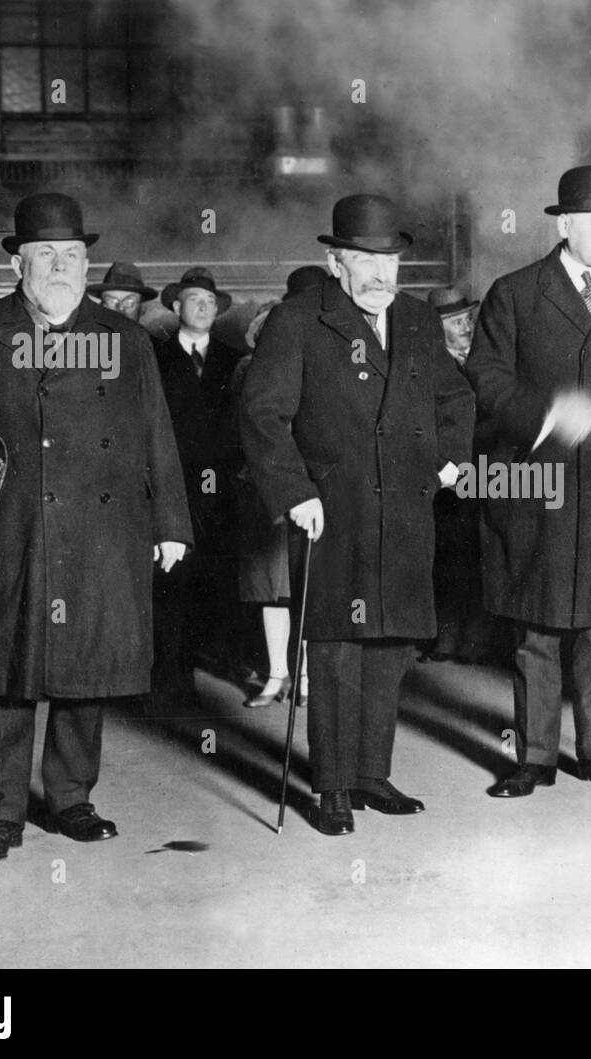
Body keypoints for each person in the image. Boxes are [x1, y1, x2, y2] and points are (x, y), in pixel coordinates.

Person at [0, 191, 192, 861]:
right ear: (19, 264)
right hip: (7, 533)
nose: (61, 266)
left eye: (73, 255)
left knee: (83, 672)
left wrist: (172, 520)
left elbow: (156, 434)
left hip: (101, 533)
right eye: (46, 254)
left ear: (87, 265)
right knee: (4, 676)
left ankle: (70, 798)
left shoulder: (126, 339)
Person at [241, 194, 474, 836]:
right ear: (336, 262)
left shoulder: (420, 321)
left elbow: (456, 397)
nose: (380, 276)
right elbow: (263, 415)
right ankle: (333, 786)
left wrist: (452, 461)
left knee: (390, 646)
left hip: (405, 512)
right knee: (339, 650)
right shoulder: (297, 320)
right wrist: (294, 492)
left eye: (390, 262)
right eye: (365, 262)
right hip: (331, 513)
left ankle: (372, 774)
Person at [465, 165, 591, 798]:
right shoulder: (516, 292)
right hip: (538, 485)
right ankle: (535, 758)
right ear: (565, 224)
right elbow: (485, 377)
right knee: (538, 629)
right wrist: (545, 415)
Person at [231, 265, 327, 709]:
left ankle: (307, 676)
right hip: (264, 490)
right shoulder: (249, 368)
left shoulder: (331, 362)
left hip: (317, 492)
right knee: (271, 588)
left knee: (310, 586)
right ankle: (277, 675)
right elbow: (243, 427)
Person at [152, 267, 245, 706]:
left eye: (210, 301)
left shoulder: (234, 358)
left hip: (223, 492)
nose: (204, 307)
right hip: (175, 489)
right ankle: (171, 679)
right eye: (194, 300)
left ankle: (211, 670)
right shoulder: (155, 357)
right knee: (172, 585)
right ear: (176, 308)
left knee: (216, 581)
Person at [421, 285, 496, 664]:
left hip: (487, 472)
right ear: (436, 330)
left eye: (467, 318)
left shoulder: (486, 360)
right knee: (450, 557)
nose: (466, 326)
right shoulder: (429, 367)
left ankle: (478, 640)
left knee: (485, 552)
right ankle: (447, 638)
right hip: (449, 477)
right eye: (454, 321)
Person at [87, 261, 157, 322]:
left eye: (129, 302)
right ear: (101, 307)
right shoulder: (88, 336)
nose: (120, 308)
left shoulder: (147, 337)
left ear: (142, 309)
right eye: (112, 302)